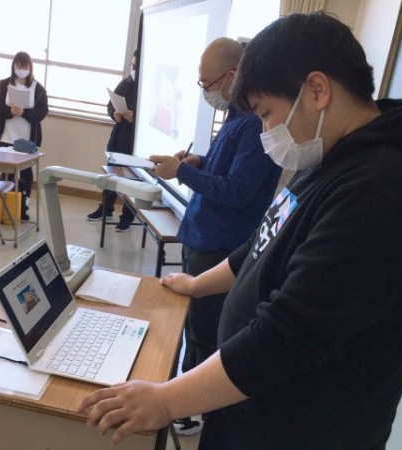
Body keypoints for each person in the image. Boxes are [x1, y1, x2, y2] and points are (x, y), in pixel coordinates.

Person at [78, 12, 402, 450]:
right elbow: (263, 243)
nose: (264, 131)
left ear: (316, 91)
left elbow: (288, 337)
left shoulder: (383, 190)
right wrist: (198, 284)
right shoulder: (335, 156)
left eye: (267, 113)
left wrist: (166, 400)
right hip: (251, 415)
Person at [149, 37, 281, 435]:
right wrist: (197, 161)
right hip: (203, 238)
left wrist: (182, 172)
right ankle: (187, 399)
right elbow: (225, 169)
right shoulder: (237, 117)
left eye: (207, 83)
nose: (205, 91)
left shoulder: (256, 124)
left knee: (207, 333)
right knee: (195, 326)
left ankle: (192, 410)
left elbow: (238, 191)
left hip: (220, 245)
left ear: (232, 76)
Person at [0, 51, 48, 220]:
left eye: (25, 66)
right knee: (7, 170)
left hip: (27, 138)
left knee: (26, 171)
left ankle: (24, 202)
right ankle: (5, 202)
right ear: (14, 66)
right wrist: (9, 111)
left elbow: (42, 112)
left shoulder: (38, 89)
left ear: (30, 68)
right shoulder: (3, 85)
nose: (21, 69)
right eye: (18, 65)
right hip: (6, 135)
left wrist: (25, 113)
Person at [86, 51, 139, 232]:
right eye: (132, 65)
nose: (133, 69)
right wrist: (114, 114)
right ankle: (106, 208)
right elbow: (110, 105)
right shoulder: (125, 83)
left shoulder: (148, 88)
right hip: (118, 137)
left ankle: (127, 216)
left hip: (136, 143)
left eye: (137, 66)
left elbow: (154, 118)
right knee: (110, 176)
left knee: (132, 180)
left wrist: (136, 118)